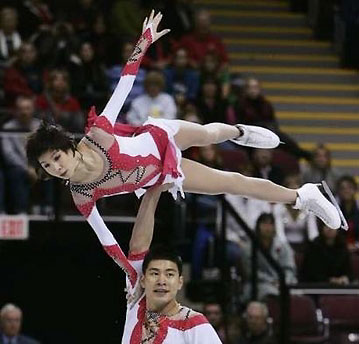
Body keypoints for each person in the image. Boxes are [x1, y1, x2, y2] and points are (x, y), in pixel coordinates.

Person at [26, 11, 342, 248]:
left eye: (56, 158)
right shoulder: (82, 194)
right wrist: (131, 275)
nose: (56, 168)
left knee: (208, 135)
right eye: (47, 166)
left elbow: (124, 85)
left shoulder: (98, 136)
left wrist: (144, 42)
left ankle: (238, 131)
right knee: (231, 183)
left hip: (158, 135)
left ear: (69, 148)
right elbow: (106, 239)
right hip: (161, 172)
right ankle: (303, 195)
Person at [93, 183, 222, 343]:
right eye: (154, 273)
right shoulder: (137, 304)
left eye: (169, 274)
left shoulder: (195, 325)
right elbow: (138, 247)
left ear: (180, 282)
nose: (162, 281)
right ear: (142, 280)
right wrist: (154, 191)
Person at [241, 213, 297, 301]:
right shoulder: (249, 248)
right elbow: (250, 272)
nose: (267, 227)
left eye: (270, 224)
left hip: (282, 283)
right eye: (264, 224)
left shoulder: (282, 246)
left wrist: (284, 281)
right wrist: (271, 281)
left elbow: (289, 267)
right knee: (269, 292)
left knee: (296, 293)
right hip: (259, 284)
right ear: (258, 226)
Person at [2, 96, 41, 214]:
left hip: (39, 165)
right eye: (21, 109)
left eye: (27, 108)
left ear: (33, 110)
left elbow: (45, 150)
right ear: (16, 111)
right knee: (16, 173)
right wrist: (27, 168)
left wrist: (35, 167)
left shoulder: (40, 127)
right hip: (18, 166)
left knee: (51, 171)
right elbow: (9, 154)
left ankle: (47, 207)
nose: (24, 112)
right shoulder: (8, 128)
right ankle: (20, 211)